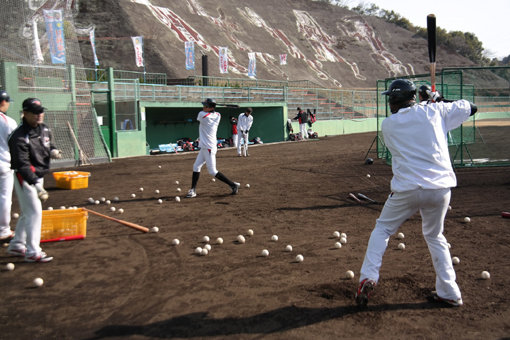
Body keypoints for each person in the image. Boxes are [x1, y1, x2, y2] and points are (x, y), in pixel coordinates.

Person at [355, 79, 477, 307]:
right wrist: (438, 100)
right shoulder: (435, 112)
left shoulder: (389, 125)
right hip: (440, 189)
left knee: (383, 228)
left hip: (407, 189)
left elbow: (418, 118)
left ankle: (368, 277)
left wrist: (431, 104)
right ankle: (450, 292)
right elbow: (471, 107)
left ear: (394, 100)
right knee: (435, 236)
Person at [7, 98, 62, 262]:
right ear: (25, 113)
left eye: (40, 112)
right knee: (34, 212)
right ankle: (32, 252)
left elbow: (49, 144)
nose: (39, 115)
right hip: (25, 176)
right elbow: (22, 165)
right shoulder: (18, 137)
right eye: (34, 113)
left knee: (27, 212)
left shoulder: (44, 129)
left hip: (38, 174)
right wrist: (38, 188)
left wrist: (53, 150)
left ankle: (17, 244)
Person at [186, 98, 240, 198]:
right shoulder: (217, 115)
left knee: (212, 171)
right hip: (205, 146)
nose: (203, 107)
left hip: (209, 147)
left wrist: (211, 107)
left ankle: (233, 185)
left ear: (210, 107)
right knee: (196, 166)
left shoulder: (203, 115)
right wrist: (211, 107)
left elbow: (203, 113)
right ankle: (193, 190)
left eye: (205, 105)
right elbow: (214, 112)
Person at [0, 90, 18, 242]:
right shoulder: (9, 121)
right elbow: (16, 144)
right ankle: (3, 230)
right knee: (5, 198)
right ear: (3, 102)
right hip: (4, 164)